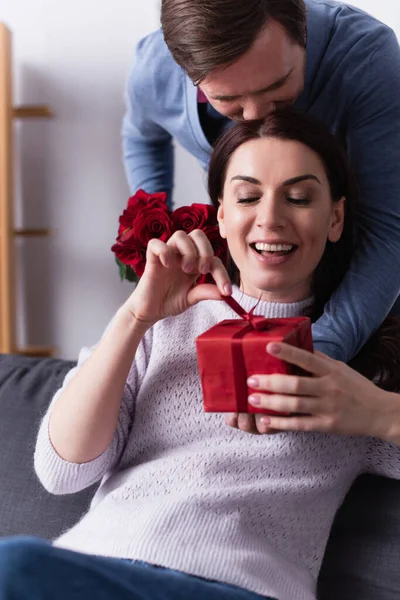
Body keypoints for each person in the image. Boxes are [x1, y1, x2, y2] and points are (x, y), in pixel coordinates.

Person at [1, 109, 400, 600]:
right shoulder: (162, 323)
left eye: (298, 198)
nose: (270, 218)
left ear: (335, 217)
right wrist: (135, 318)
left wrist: (380, 413)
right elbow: (62, 472)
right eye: (248, 196)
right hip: (94, 570)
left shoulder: (365, 358)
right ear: (222, 214)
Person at [122, 0, 400, 365]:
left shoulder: (365, 56)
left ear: (301, 34)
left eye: (278, 85)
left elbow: (388, 225)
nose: (253, 116)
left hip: (366, 288)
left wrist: (322, 349)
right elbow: (142, 137)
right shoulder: (154, 69)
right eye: (227, 100)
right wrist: (161, 229)